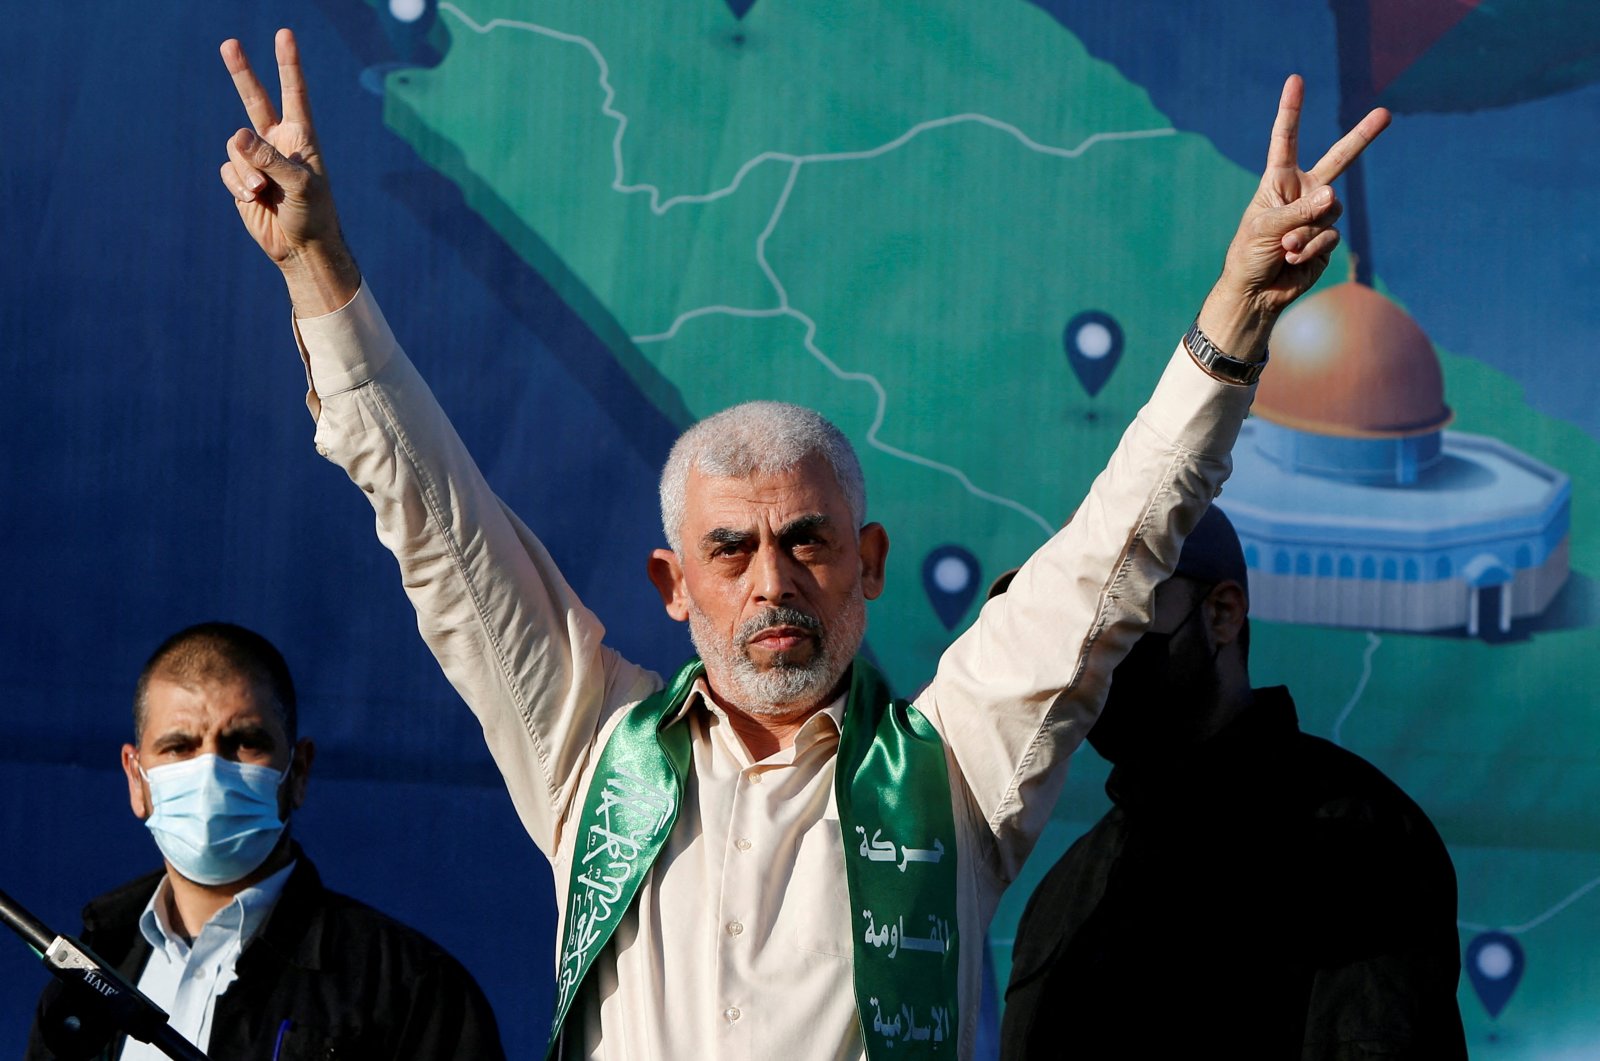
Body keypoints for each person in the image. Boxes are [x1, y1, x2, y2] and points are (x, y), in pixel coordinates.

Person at [214, 27, 1389, 1060]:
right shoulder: (587, 751)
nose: (773, 579)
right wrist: (319, 270)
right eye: (731, 551)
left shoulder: (957, 766)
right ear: (672, 585)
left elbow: (1115, 550)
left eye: (807, 541)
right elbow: (442, 529)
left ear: (868, 565)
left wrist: (1237, 308)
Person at [997, 508, 1467, 1059]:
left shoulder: (1353, 840)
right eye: (1063, 627)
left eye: (1109, 615)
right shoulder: (1068, 886)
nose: (1081, 654)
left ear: (1221, 614)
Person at [24, 623, 506, 1061]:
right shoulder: (84, 982)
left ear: (297, 771)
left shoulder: (410, 990)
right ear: (136, 779)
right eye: (179, 747)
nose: (210, 771)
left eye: (245, 743)